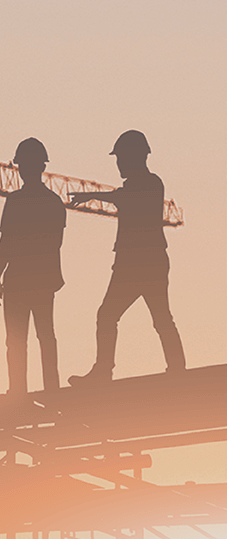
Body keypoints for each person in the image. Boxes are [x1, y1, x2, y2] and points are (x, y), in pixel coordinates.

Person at [69, 130, 185, 385]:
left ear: (134, 156)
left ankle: (175, 369)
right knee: (113, 316)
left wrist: (92, 195)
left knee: (154, 317)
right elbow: (124, 197)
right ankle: (106, 371)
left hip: (143, 264)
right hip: (134, 263)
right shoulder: (137, 185)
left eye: (121, 157)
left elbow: (126, 198)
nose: (118, 163)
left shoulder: (151, 183)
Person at [0, 138, 66, 394]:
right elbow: (56, 244)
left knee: (16, 341)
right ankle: (51, 389)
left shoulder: (16, 201)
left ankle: (17, 391)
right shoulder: (54, 203)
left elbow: (6, 243)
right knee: (46, 337)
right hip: (43, 280)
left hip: (19, 281)